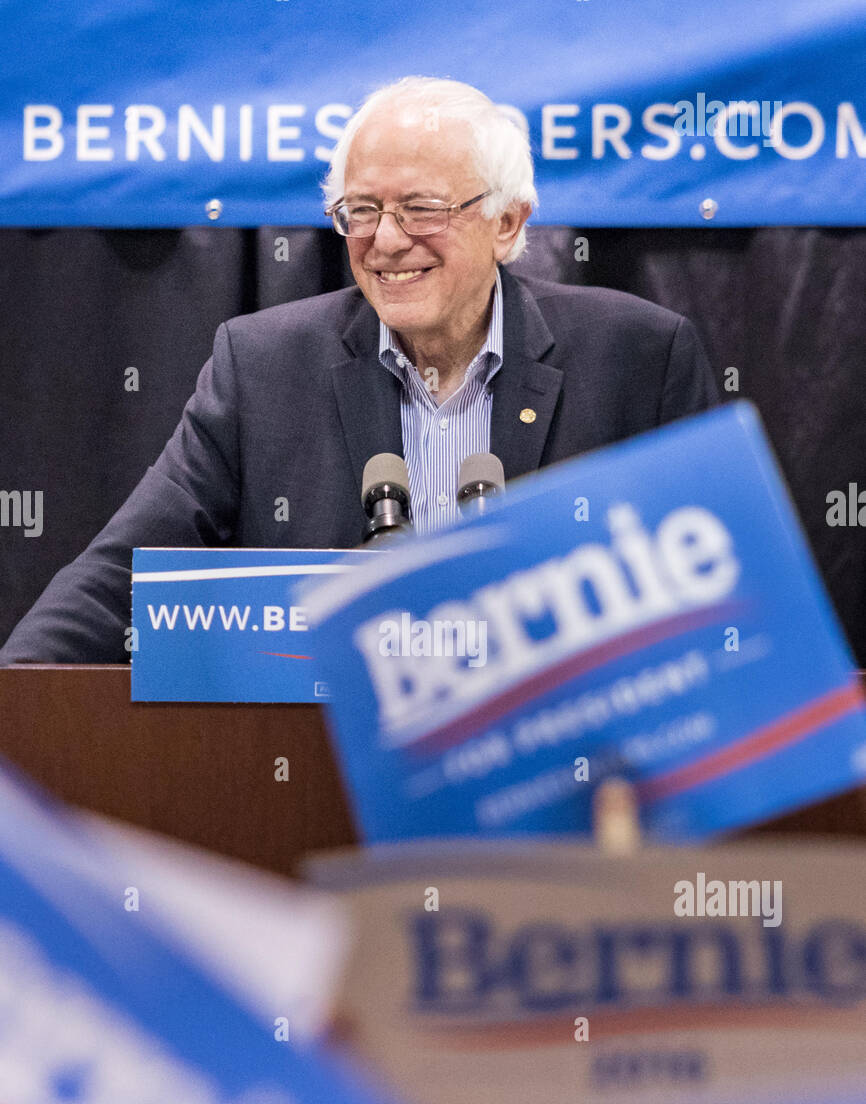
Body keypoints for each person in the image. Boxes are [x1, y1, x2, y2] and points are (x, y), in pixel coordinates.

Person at [0, 76, 718, 664]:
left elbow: (723, 592)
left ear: (507, 222)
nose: (386, 239)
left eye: (421, 209)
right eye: (361, 210)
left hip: (566, 792)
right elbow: (117, 583)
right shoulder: (262, 368)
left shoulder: (639, 358)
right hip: (324, 780)